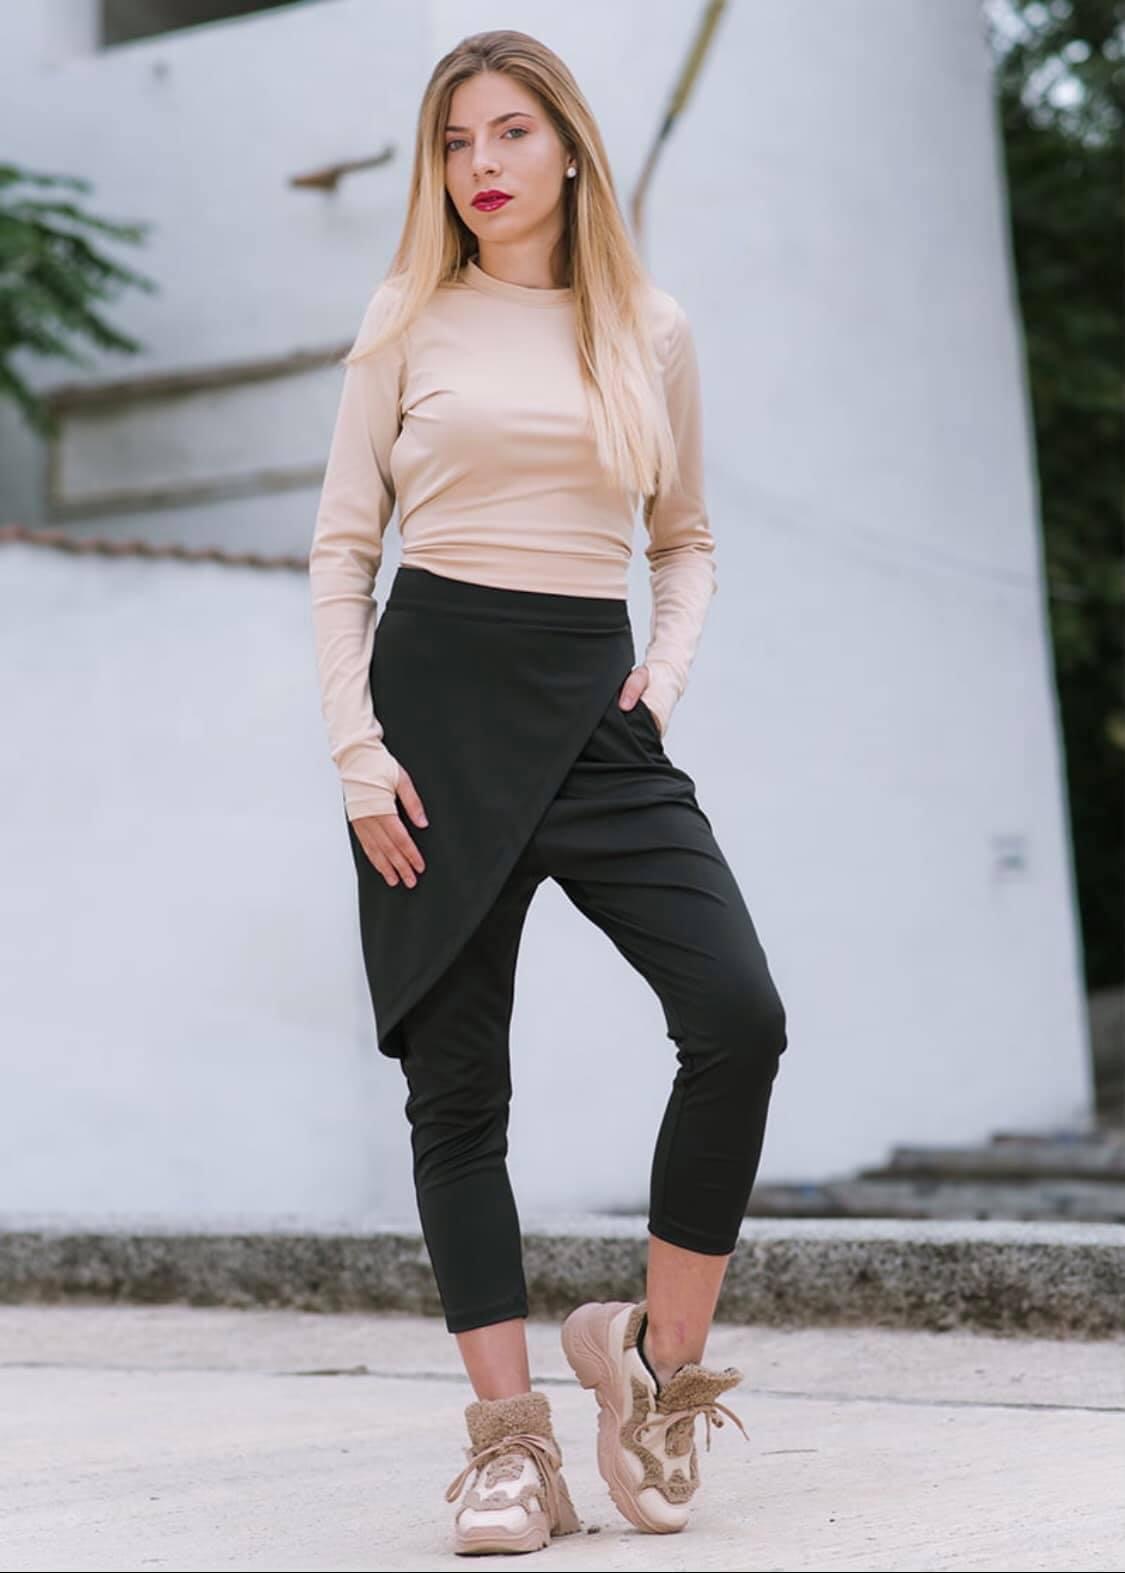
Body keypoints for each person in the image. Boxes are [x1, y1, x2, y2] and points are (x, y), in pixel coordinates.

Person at [308, 27, 789, 1558]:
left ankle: (652, 1363)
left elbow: (684, 537)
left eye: (510, 132)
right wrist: (355, 748)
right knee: (457, 1092)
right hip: (426, 723)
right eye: (455, 142)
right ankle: (511, 1450)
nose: (483, 166)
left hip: (594, 710)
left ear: (569, 148)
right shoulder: (404, 317)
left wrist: (667, 669)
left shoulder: (648, 327)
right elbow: (342, 548)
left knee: (736, 1014)